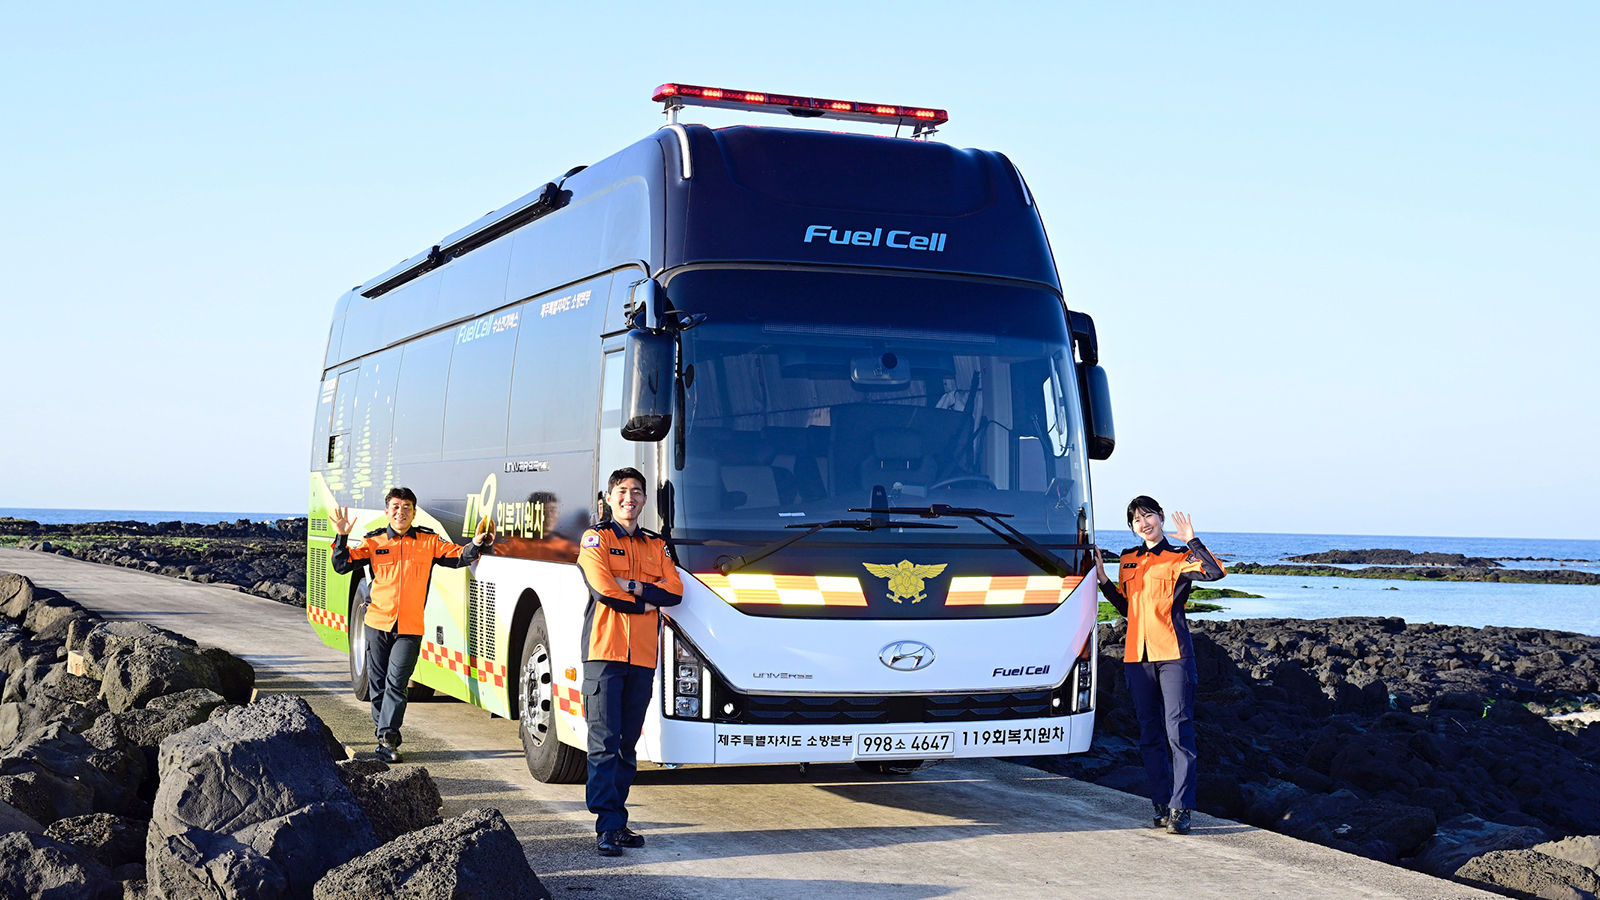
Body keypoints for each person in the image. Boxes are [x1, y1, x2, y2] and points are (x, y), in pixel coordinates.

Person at [331, 487, 496, 763]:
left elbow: (457, 556)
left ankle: (387, 738)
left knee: (397, 683)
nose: (401, 512)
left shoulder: (428, 541)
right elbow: (342, 564)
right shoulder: (374, 541)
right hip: (376, 623)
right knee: (378, 684)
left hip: (409, 627)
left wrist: (477, 543)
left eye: (406, 507)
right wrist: (342, 536)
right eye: (395, 507)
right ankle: (382, 731)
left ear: (414, 512)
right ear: (387, 512)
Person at [1096, 495, 1226, 836]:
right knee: (1149, 735)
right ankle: (1159, 803)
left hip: (1173, 656)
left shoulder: (1179, 557)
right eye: (1136, 519)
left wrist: (1192, 540)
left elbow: (1215, 572)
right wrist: (1104, 581)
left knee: (1178, 733)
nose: (1144, 523)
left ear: (1161, 518)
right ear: (1132, 527)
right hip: (1136, 659)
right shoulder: (1127, 560)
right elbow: (1128, 609)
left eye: (1148, 515)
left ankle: (1181, 809)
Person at [577, 467, 682, 856]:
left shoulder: (657, 545)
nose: (630, 498)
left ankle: (616, 822)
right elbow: (603, 589)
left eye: (637, 491)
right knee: (603, 742)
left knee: (626, 744)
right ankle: (606, 826)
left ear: (644, 500)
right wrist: (646, 601)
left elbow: (675, 591)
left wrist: (634, 586)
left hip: (642, 657)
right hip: (603, 655)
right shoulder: (596, 538)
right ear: (609, 497)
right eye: (622, 491)